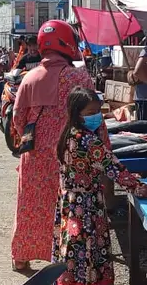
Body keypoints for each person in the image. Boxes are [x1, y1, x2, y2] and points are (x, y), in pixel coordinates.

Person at [51, 87, 147, 285]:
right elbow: (112, 167)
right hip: (86, 206)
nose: (96, 116)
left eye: (98, 111)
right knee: (89, 253)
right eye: (90, 111)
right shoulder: (88, 140)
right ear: (77, 112)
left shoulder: (68, 134)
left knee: (71, 252)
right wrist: (139, 187)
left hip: (69, 202)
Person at [11, 20, 102, 271]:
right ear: (67, 43)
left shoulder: (29, 77)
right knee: (65, 208)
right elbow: (94, 117)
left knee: (29, 205)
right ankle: (64, 264)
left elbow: (18, 120)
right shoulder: (79, 76)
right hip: (68, 156)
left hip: (34, 155)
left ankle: (22, 256)